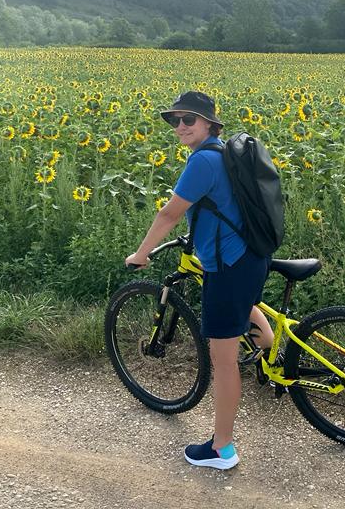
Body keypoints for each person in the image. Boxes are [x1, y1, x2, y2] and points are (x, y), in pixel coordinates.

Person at [125, 90, 273, 470]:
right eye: (175, 120)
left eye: (188, 119)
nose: (180, 127)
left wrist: (141, 254)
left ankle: (222, 449)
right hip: (251, 255)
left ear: (209, 124)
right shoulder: (227, 155)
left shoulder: (202, 163)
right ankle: (270, 350)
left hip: (228, 265)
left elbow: (170, 214)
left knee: (222, 361)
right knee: (244, 307)